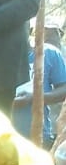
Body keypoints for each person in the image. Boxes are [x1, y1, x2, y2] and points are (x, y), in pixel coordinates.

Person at [12, 20, 66, 149]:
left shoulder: (49, 53)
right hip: (0, 136)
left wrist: (35, 98)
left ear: (29, 31)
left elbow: (64, 89)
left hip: (38, 137)